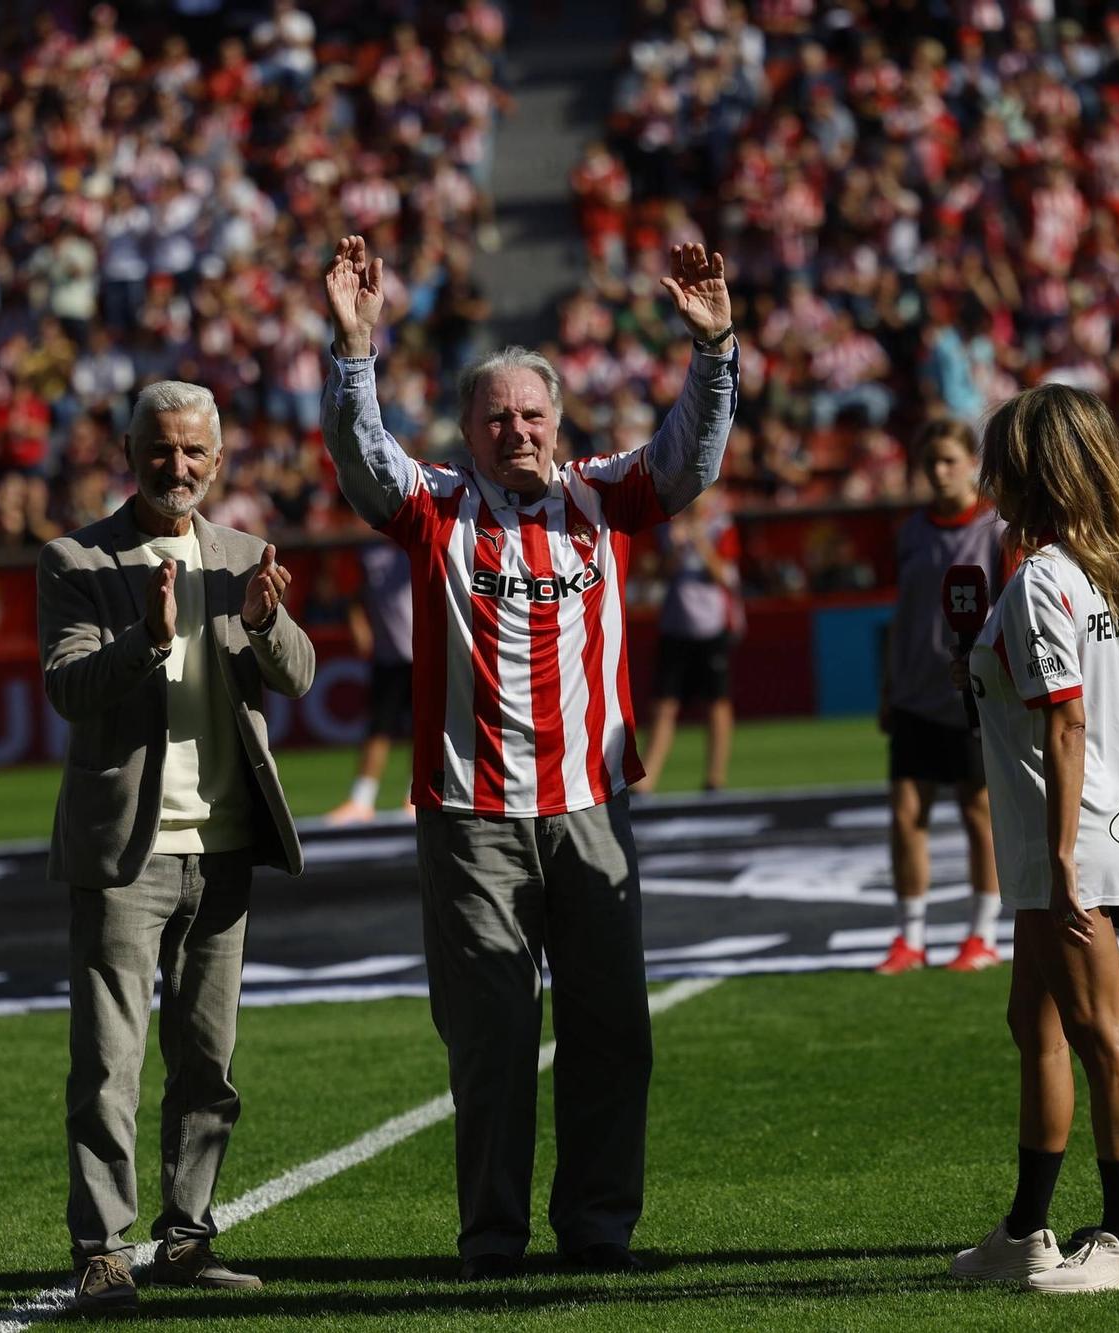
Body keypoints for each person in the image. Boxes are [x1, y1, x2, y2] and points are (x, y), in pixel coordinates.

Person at [320, 234, 737, 1280]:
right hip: (469, 817)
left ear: (560, 424)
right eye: (496, 415)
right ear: (465, 432)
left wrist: (714, 350)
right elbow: (363, 462)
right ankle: (492, 1240)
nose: (516, 429)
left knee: (610, 1033)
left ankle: (598, 1231)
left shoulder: (605, 493)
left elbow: (688, 457)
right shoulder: (435, 508)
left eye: (532, 414)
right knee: (493, 1044)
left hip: (592, 804)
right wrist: (354, 350)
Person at [38, 380, 316, 1313]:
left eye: (196, 451)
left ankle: (188, 1237)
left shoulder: (243, 555)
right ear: (129, 451)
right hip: (127, 850)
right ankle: (103, 1249)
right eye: (162, 450)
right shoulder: (75, 558)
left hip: (227, 846)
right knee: (109, 1063)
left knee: (208, 1063)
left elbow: (302, 674)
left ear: (220, 457)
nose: (179, 466)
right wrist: (147, 644)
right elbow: (69, 688)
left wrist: (270, 620)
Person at [949, 384, 1119, 1293]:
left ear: (1030, 468)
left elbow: (1065, 724)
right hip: (1069, 826)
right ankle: (1027, 1228)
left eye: (999, 455)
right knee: (1034, 1022)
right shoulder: (1088, 562)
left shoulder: (1047, 577)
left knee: (1098, 1030)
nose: (985, 472)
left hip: (1064, 831)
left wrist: (1060, 858)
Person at [873, 419, 1008, 974]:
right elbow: (903, 618)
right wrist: (888, 687)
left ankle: (982, 934)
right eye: (932, 462)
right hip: (914, 694)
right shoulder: (911, 532)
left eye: (950, 460)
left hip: (971, 695)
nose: (940, 471)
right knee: (907, 813)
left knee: (979, 813)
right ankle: (910, 936)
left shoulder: (997, 531)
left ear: (973, 465)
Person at [636, 487, 741, 794]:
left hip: (712, 625)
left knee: (716, 703)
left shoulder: (721, 526)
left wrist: (700, 542)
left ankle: (715, 778)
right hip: (676, 624)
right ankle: (647, 780)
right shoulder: (670, 527)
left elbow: (726, 576)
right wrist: (677, 548)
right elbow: (662, 574)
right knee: (664, 703)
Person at [326, 538, 416, 824]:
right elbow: (354, 590)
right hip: (388, 653)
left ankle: (416, 797)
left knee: (427, 730)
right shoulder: (367, 548)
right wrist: (357, 620)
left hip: (427, 651)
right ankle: (362, 800)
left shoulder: (415, 540)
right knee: (378, 728)